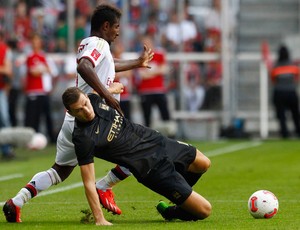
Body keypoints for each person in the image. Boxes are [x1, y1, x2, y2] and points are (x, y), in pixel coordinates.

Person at [3, 3, 153, 223]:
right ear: (106, 25)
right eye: (116, 27)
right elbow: (84, 66)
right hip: (91, 119)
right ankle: (104, 186)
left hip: (73, 120)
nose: (118, 31)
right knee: (137, 151)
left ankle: (16, 201)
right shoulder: (100, 43)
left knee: (59, 172)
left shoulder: (91, 43)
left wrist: (137, 63)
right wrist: (108, 95)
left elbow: (108, 64)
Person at [62, 87, 212, 225]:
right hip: (151, 167)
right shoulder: (83, 138)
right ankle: (170, 211)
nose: (86, 111)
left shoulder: (93, 99)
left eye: (85, 104)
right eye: (79, 110)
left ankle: (179, 197)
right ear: (70, 113)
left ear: (87, 98)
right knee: (204, 210)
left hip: (156, 141)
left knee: (203, 163)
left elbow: (101, 90)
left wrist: (113, 89)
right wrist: (99, 218)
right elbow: (88, 182)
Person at [23, 33, 57, 143]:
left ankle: (52, 139)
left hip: (43, 92)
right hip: (33, 92)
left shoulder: (44, 56)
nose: (35, 43)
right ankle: (30, 140)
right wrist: (43, 69)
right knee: (32, 118)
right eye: (33, 41)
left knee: (47, 117)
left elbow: (52, 72)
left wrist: (42, 70)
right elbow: (33, 72)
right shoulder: (29, 56)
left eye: (37, 41)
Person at [136, 34, 171, 128]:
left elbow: (164, 69)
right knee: (147, 116)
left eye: (147, 43)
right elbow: (141, 75)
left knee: (165, 113)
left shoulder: (160, 54)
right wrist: (156, 71)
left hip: (159, 89)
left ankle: (170, 133)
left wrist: (149, 72)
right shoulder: (141, 56)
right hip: (145, 90)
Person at [270, 44, 300, 138]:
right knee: (295, 113)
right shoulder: (293, 66)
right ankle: (298, 131)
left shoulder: (275, 67)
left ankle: (284, 133)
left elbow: (273, 80)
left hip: (279, 92)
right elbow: (296, 78)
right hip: (291, 92)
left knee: (281, 115)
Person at [0, 31, 15, 159]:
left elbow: (8, 71)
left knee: (4, 119)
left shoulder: (5, 50)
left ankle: (7, 149)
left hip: (1, 89)